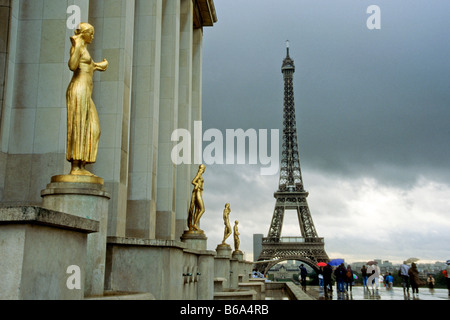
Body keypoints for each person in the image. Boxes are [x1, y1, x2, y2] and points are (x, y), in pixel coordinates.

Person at [66, 22, 108, 176]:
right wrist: (76, 46)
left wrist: (99, 65)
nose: (93, 36)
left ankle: (82, 164)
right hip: (79, 90)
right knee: (78, 126)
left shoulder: (85, 49)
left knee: (94, 129)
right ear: (83, 33)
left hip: (86, 93)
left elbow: (87, 66)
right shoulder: (78, 46)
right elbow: (72, 65)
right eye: (90, 32)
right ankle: (75, 166)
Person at [187, 164, 206, 232]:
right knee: (202, 209)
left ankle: (194, 225)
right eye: (203, 168)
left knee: (197, 209)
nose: (204, 170)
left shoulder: (200, 174)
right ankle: (195, 224)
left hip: (199, 192)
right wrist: (197, 185)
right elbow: (193, 181)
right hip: (197, 192)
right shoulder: (199, 173)